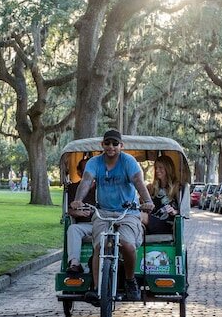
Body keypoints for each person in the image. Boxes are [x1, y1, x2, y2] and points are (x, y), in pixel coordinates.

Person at [69, 129, 154, 302]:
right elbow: (86, 181)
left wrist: (147, 200)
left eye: (115, 144)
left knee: (128, 245)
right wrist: (78, 199)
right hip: (104, 212)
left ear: (121, 146)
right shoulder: (95, 162)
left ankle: (130, 281)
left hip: (127, 212)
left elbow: (138, 181)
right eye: (107, 143)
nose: (111, 147)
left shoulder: (128, 161)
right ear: (102, 145)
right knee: (100, 246)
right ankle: (96, 288)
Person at [65, 158, 96, 275]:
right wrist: (76, 212)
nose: (89, 174)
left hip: (102, 222)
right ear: (79, 173)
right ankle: (74, 263)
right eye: (85, 171)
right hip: (84, 225)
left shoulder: (103, 188)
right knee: (73, 229)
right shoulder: (73, 188)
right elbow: (68, 210)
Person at [143, 157, 181, 234]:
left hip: (166, 223)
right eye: (156, 168)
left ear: (168, 169)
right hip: (151, 220)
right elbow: (142, 204)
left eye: (160, 168)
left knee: (137, 215)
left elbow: (183, 211)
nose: (157, 170)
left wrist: (174, 211)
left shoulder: (177, 187)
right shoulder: (151, 187)